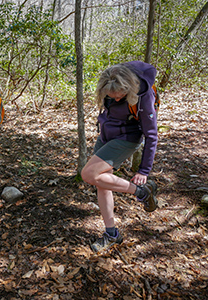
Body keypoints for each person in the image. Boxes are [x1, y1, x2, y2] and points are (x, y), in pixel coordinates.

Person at [81, 61, 159, 253]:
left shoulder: (143, 95)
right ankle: (112, 234)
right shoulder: (109, 82)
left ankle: (141, 192)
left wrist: (144, 170)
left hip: (127, 138)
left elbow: (151, 135)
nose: (115, 100)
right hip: (107, 134)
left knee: (88, 174)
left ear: (129, 89)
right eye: (111, 96)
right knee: (101, 182)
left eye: (120, 97)